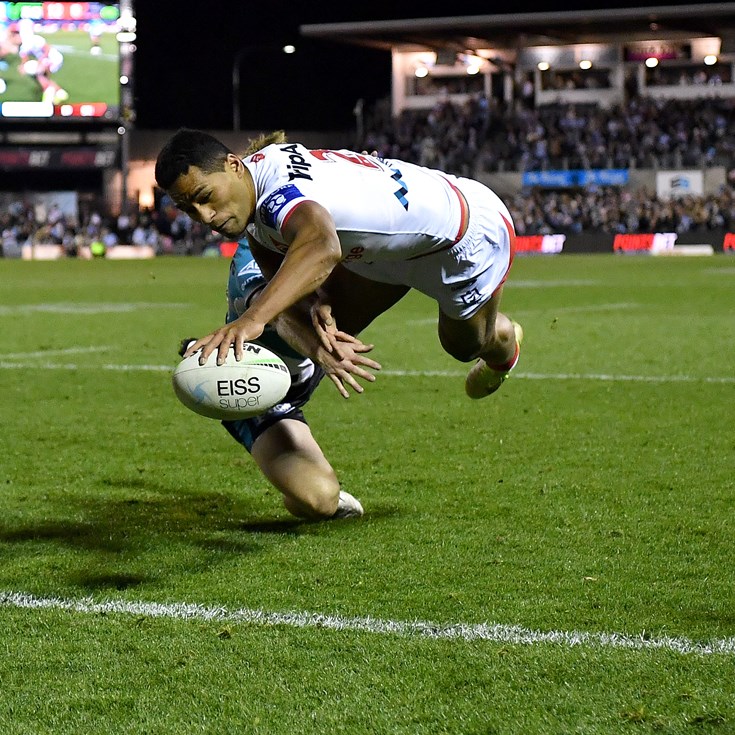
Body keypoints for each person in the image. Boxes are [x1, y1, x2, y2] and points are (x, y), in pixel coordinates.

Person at [155, 129, 523, 402]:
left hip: (463, 238)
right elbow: (279, 283)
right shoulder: (255, 188)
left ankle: (503, 345)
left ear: (233, 166)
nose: (203, 216)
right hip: (385, 249)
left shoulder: (276, 197)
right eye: (189, 209)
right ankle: (283, 396)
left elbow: (322, 244)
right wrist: (315, 300)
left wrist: (251, 320)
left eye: (205, 197)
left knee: (464, 346)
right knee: (325, 328)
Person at [179, 239, 380, 521]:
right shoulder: (254, 246)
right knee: (320, 500)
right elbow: (275, 313)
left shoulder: (340, 226)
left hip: (305, 366)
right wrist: (319, 349)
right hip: (257, 390)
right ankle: (212, 364)